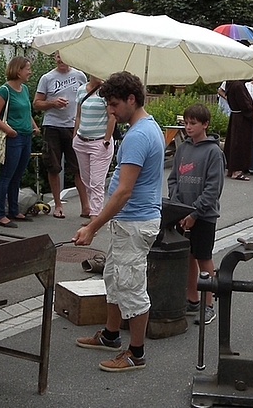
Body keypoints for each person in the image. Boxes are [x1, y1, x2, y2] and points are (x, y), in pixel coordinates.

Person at [73, 70, 164, 372]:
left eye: (113, 105)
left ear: (131, 99)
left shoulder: (139, 135)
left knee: (132, 287)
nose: (110, 111)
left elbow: (124, 191)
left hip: (135, 223)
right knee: (114, 278)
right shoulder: (144, 127)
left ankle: (135, 353)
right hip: (130, 223)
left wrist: (91, 226)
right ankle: (111, 335)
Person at [167, 104, 225, 326]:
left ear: (205, 125)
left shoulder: (213, 152)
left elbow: (213, 188)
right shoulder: (182, 149)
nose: (189, 127)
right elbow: (173, 178)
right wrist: (177, 204)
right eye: (186, 123)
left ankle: (208, 304)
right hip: (181, 213)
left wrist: (195, 212)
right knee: (187, 257)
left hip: (204, 215)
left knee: (203, 257)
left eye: (193, 123)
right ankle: (191, 298)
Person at [34, 52, 89, 219]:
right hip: (52, 127)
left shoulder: (80, 76)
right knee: (54, 166)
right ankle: (58, 205)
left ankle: (86, 206)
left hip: (73, 127)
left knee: (78, 168)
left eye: (63, 56)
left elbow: (87, 98)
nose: (60, 60)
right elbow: (36, 103)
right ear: (55, 58)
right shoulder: (47, 78)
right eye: (57, 57)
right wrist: (52, 103)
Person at [0, 56, 41, 228]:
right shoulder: (4, 90)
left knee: (17, 175)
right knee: (6, 175)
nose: (30, 72)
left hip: (26, 137)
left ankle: (14, 210)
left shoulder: (24, 89)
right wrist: (9, 130)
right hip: (13, 138)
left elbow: (27, 111)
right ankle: (0, 215)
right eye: (27, 68)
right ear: (18, 70)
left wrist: (34, 126)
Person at [73, 74, 117, 226]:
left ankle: (94, 219)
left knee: (96, 182)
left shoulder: (106, 92)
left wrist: (106, 140)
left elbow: (112, 117)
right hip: (81, 141)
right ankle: (94, 211)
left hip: (99, 142)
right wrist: (74, 137)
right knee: (87, 181)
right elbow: (78, 115)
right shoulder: (80, 90)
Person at [223, 77, 253, 181]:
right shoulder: (238, 85)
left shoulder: (231, 83)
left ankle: (232, 169)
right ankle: (236, 170)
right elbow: (244, 104)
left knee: (233, 143)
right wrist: (252, 112)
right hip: (241, 118)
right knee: (239, 144)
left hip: (236, 117)